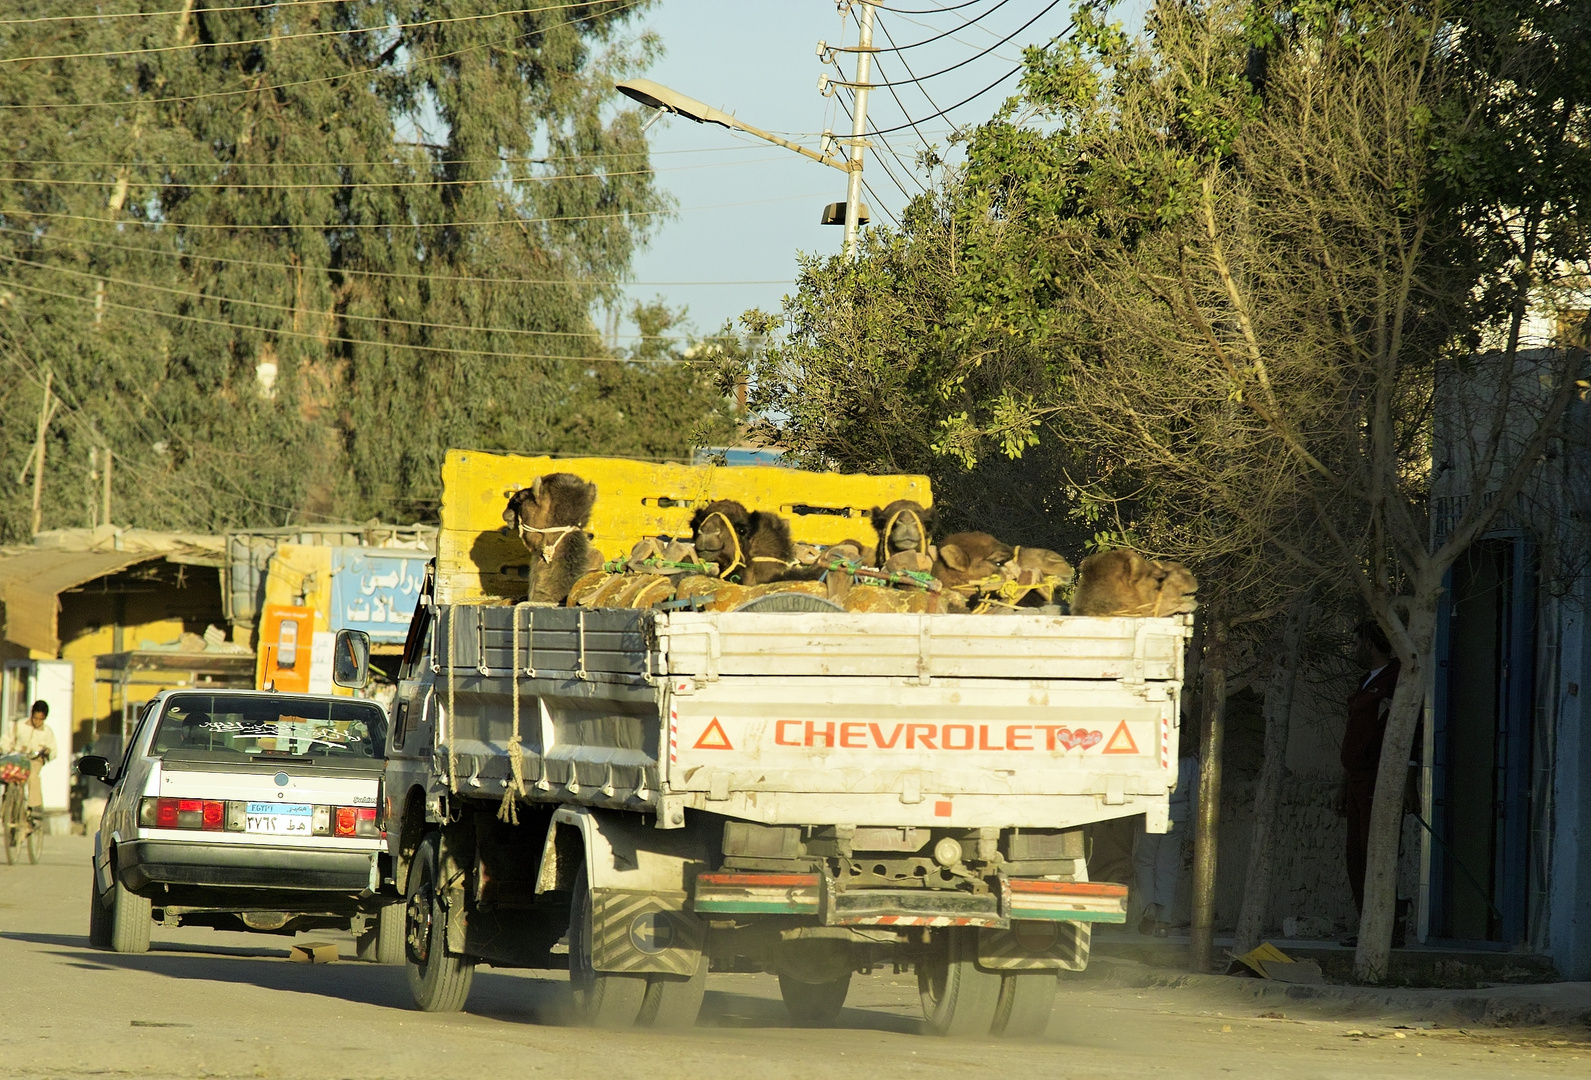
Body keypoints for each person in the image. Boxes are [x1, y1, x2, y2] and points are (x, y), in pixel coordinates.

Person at [1338, 620, 1407, 946]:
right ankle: (1369, 924)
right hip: (1356, 780)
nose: (1352, 650)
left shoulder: (1395, 681)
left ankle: (1386, 928)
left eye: (1355, 643)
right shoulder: (1365, 683)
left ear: (1369, 643)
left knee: (1374, 851)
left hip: (1378, 779)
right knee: (1356, 854)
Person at [1134, 744, 1199, 936]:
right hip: (1176, 819)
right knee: (1167, 866)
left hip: (1151, 813)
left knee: (1144, 862)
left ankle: (1149, 906)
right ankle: (1163, 922)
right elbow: (1195, 798)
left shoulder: (1151, 753)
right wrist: (1195, 833)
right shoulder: (1191, 761)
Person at [1, 700, 58, 815]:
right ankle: (7, 805)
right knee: (8, 775)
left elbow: (53, 751)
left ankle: (35, 807)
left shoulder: (47, 732)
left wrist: (47, 752)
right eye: (35, 718)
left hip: (34, 760)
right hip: (17, 757)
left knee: (32, 775)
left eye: (40, 719)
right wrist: (7, 748)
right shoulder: (19, 726)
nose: (37, 722)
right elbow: (5, 740)